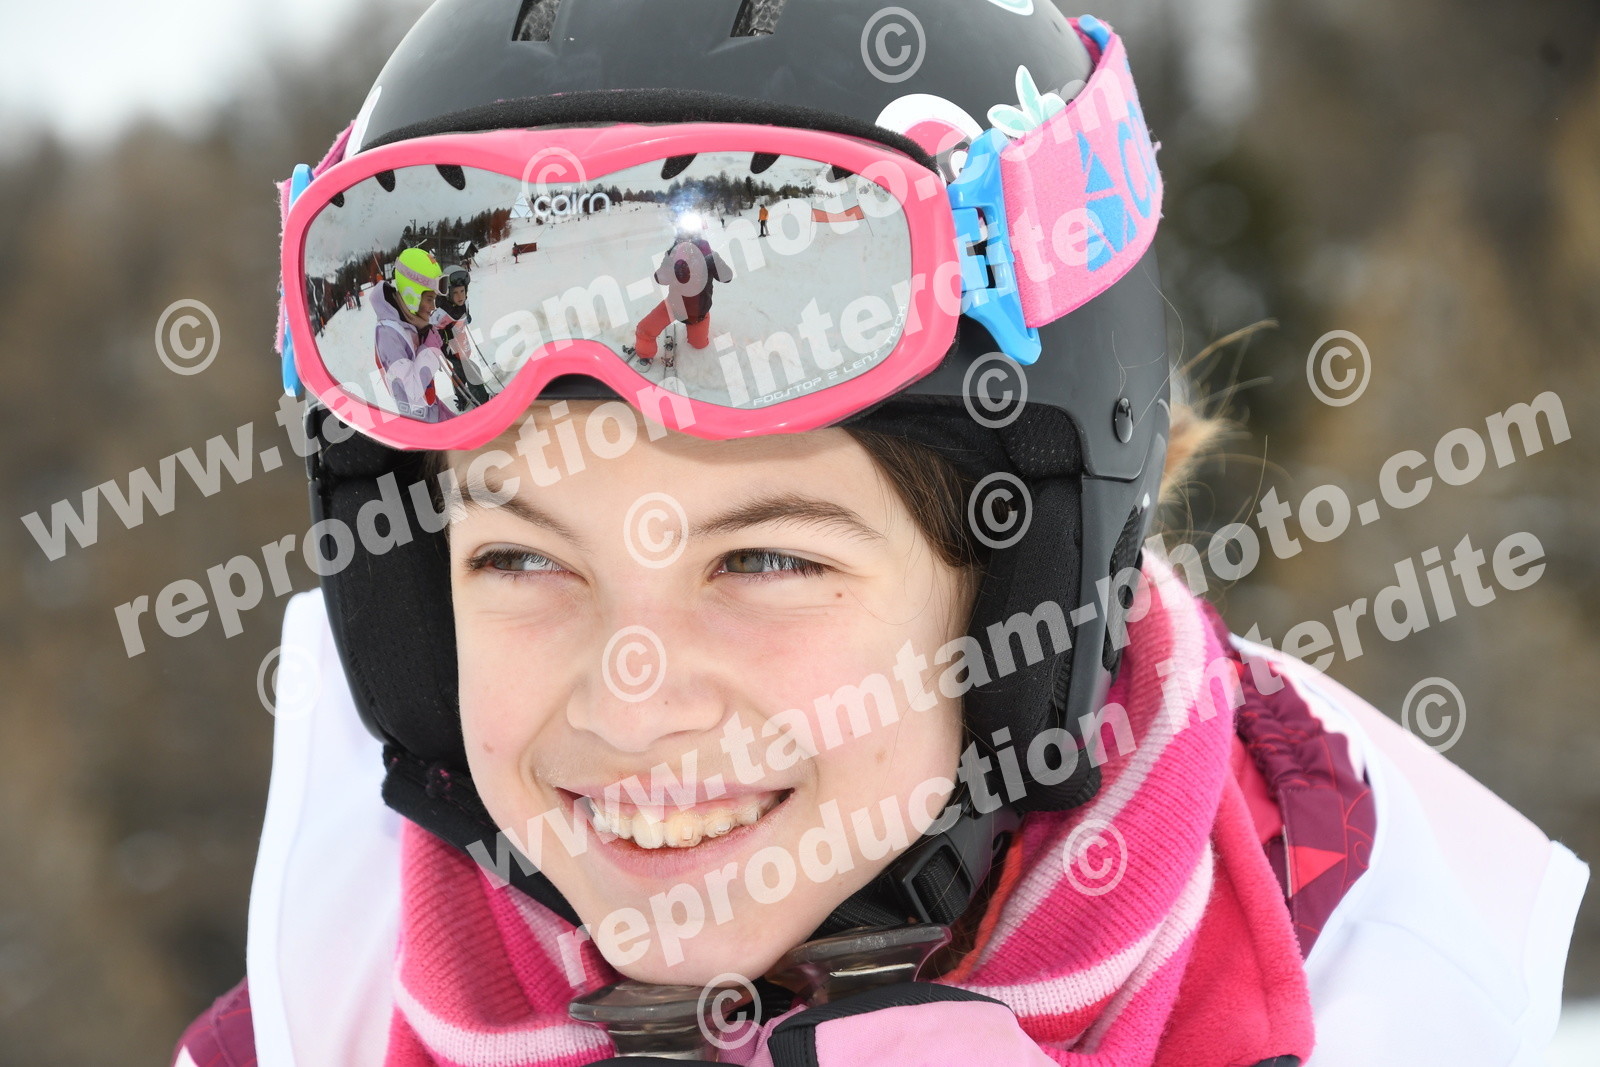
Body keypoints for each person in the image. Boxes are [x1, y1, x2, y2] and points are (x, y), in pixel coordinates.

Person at [177, 3, 1587, 1065]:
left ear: (1024, 596)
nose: (631, 702)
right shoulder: (319, 1013)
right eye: (521, 557)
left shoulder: (1391, 1008)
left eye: (764, 559)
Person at [630, 216, 734, 364]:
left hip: (698, 313)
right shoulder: (673, 255)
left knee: (699, 345)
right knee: (644, 329)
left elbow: (727, 277)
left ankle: (696, 328)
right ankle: (645, 354)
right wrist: (671, 261)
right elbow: (661, 279)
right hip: (674, 306)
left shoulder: (708, 254)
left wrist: (713, 258)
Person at [371, 247, 454, 423]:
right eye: (429, 299)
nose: (433, 307)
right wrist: (430, 347)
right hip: (422, 424)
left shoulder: (410, 322)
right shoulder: (388, 335)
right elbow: (413, 389)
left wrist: (427, 333)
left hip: (432, 409)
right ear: (411, 295)